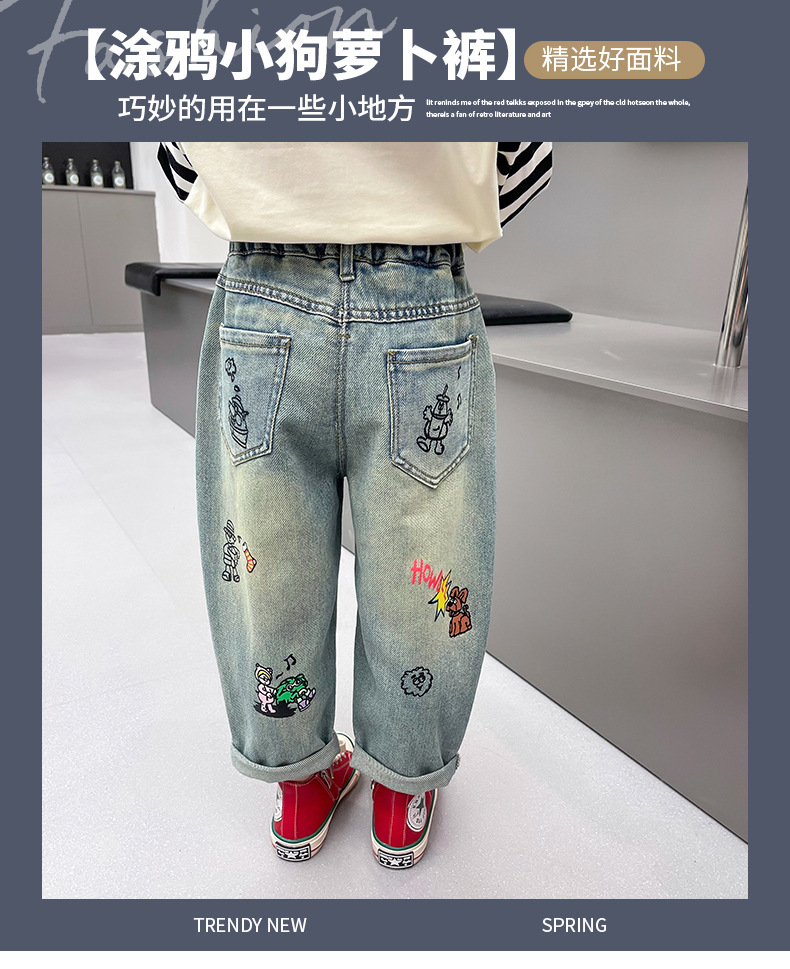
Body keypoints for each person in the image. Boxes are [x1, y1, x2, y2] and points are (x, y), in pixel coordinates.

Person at [158, 141, 552, 869]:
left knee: (265, 563)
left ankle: (299, 785)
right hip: (419, 298)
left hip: (264, 296)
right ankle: (401, 794)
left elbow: (178, 151)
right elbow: (525, 160)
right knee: (427, 570)